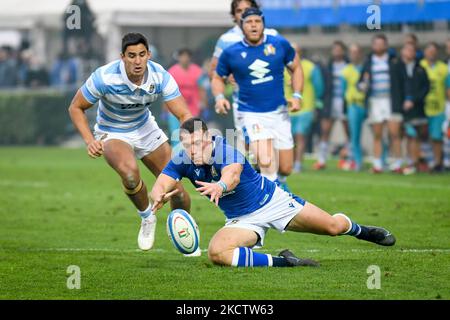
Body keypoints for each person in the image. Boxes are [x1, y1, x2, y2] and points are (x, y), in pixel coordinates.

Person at [150, 118, 396, 268]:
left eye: (198, 143)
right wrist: (158, 196)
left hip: (273, 202)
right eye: (188, 145)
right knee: (217, 253)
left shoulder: (224, 150)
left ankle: (362, 231)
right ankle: (286, 262)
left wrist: (220, 186)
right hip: (242, 220)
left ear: (208, 138)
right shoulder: (182, 158)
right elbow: (162, 181)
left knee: (332, 227)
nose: (193, 150)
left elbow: (232, 176)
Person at [68, 33, 192, 251]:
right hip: (112, 132)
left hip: (146, 129)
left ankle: (184, 233)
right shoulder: (104, 77)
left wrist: (191, 140)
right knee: (130, 174)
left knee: (178, 192)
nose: (137, 61)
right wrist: (89, 140)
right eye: (132, 56)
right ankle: (147, 217)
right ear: (122, 57)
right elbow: (76, 107)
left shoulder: (159, 75)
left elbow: (184, 114)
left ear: (148, 55)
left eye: (142, 55)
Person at [211, 8, 304, 192]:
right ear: (242, 26)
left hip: (279, 113)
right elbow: (217, 77)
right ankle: (270, 201)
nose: (253, 25)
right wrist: (220, 97)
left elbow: (297, 67)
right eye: (248, 22)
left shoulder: (279, 44)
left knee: (285, 168)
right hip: (251, 113)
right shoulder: (232, 52)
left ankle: (272, 184)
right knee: (268, 162)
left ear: (263, 24)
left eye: (257, 21)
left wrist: (297, 95)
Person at [209, 0, 279, 153]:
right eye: (239, 11)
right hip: (244, 103)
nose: (244, 13)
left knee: (277, 159)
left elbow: (283, 62)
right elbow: (214, 72)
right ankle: (259, 171)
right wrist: (226, 80)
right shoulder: (226, 40)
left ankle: (266, 173)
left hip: (273, 102)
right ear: (234, 15)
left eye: (248, 9)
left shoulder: (272, 35)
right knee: (255, 148)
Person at [359, 34, 403, 173]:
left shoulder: (394, 61)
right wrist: (363, 85)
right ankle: (377, 165)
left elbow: (402, 81)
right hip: (375, 101)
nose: (378, 46)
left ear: (386, 45)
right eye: (376, 44)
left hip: (391, 101)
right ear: (372, 46)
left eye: (381, 44)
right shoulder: (368, 62)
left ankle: (397, 164)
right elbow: (360, 84)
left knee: (394, 133)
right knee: (378, 134)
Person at [284, 44, 323, 173]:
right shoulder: (282, 67)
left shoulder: (310, 67)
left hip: (306, 107)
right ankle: (291, 162)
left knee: (300, 136)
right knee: (290, 138)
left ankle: (298, 163)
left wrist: (317, 104)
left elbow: (319, 87)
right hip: (286, 108)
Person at [314, 41, 349, 170]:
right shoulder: (328, 66)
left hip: (345, 101)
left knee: (348, 131)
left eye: (339, 49)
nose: (337, 52)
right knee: (325, 131)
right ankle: (321, 159)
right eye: (335, 49)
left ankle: (347, 159)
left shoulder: (348, 65)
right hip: (330, 102)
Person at [397, 43, 430, 175]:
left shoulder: (420, 69)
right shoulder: (398, 68)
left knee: (417, 136)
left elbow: (425, 88)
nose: (410, 52)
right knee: (408, 136)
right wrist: (402, 103)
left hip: (418, 108)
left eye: (412, 50)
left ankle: (417, 162)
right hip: (403, 108)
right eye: (407, 49)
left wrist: (414, 100)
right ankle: (410, 162)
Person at [420, 42, 449, 172]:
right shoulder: (420, 66)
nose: (431, 53)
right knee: (422, 136)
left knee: (437, 137)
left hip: (438, 108)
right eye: (429, 51)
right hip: (422, 107)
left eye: (434, 51)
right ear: (425, 52)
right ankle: (425, 162)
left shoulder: (443, 68)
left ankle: (438, 163)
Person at [167, 48, 205, 146]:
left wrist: (204, 104)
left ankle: (194, 156)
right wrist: (165, 109)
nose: (185, 58)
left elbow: (201, 89)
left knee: (194, 134)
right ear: (178, 57)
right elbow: (166, 91)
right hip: (175, 107)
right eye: (182, 56)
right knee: (176, 134)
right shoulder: (172, 72)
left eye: (187, 56)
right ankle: (177, 156)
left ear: (190, 57)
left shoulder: (198, 71)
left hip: (193, 108)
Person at [341, 43, 366, 171]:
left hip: (367, 104)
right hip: (353, 105)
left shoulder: (366, 69)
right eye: (352, 52)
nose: (354, 55)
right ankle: (358, 161)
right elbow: (343, 90)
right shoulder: (346, 70)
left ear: (361, 54)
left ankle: (381, 161)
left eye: (356, 52)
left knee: (378, 133)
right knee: (354, 135)